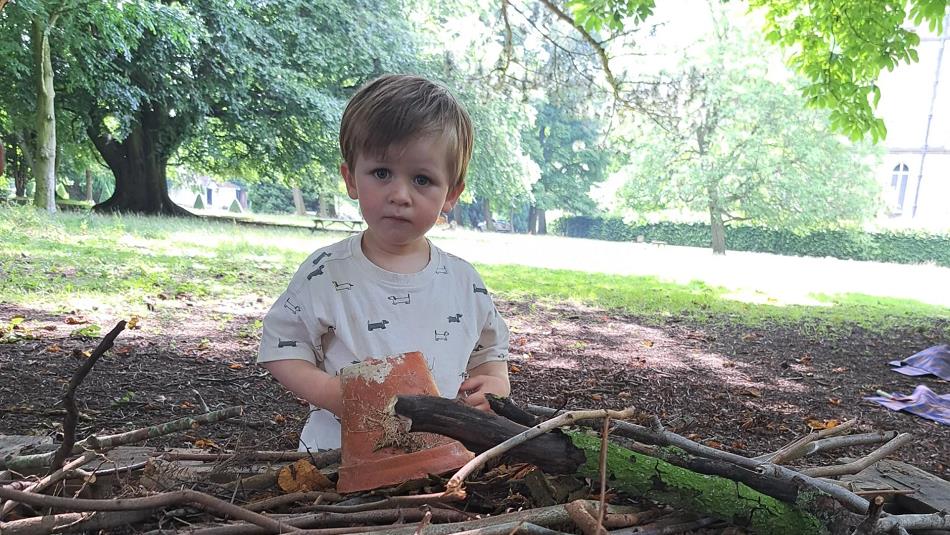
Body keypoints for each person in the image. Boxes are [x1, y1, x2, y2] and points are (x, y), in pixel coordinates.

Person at [257, 74, 511, 451]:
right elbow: (282, 348)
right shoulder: (327, 271)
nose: (399, 195)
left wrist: (494, 383)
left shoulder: (463, 282)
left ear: (451, 193)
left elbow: (490, 353)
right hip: (336, 461)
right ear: (351, 178)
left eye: (422, 179)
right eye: (381, 173)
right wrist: (333, 393)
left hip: (440, 459)